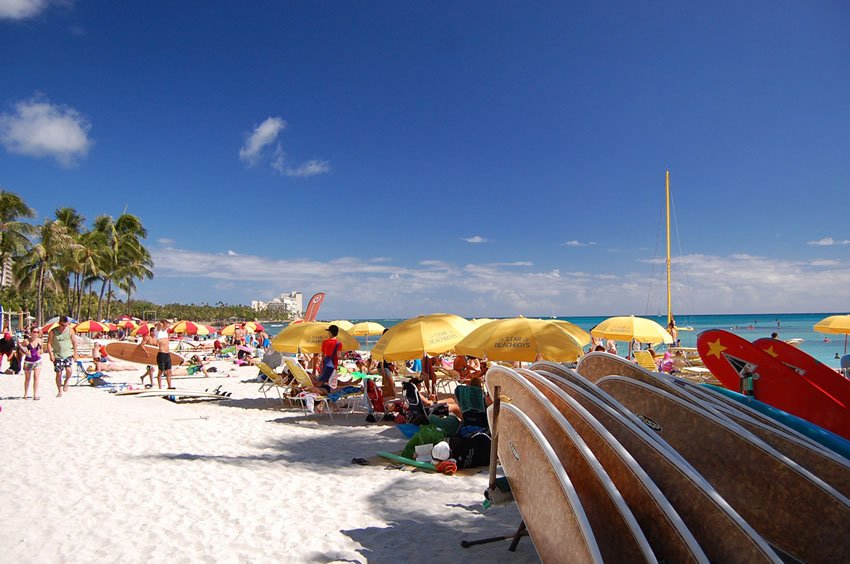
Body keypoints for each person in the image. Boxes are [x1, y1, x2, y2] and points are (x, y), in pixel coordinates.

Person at [47, 316, 78, 397]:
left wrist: (75, 353)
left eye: (65, 325)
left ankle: (66, 381)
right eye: (62, 325)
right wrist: (51, 354)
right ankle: (59, 391)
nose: (63, 327)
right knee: (59, 373)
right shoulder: (53, 331)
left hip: (67, 354)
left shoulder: (70, 330)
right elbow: (49, 343)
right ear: (59, 323)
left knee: (69, 370)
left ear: (67, 324)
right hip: (57, 355)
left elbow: (74, 342)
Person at [142, 319, 173, 389]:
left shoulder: (164, 332)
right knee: (152, 369)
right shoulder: (150, 336)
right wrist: (146, 352)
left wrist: (167, 322)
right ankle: (156, 385)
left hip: (166, 354)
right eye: (166, 323)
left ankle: (169, 386)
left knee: (168, 371)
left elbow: (169, 325)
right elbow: (142, 345)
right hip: (157, 354)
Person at [315, 324, 342, 394]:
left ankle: (324, 399)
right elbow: (338, 356)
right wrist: (344, 357)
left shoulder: (325, 342)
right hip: (334, 365)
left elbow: (323, 355)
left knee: (324, 382)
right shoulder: (338, 343)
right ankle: (331, 400)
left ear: (330, 333)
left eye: (328, 332)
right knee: (332, 385)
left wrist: (321, 364)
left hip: (326, 365)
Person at [20, 328, 42, 399]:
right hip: (28, 361)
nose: (36, 333)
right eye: (34, 332)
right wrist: (25, 352)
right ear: (31, 333)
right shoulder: (26, 341)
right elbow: (20, 350)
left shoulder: (40, 341)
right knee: (27, 378)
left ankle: (35, 395)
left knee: (36, 377)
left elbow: (42, 350)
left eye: (37, 332)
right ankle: (25, 394)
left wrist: (40, 352)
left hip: (37, 361)